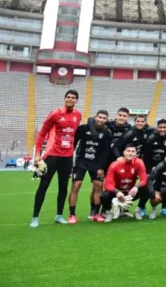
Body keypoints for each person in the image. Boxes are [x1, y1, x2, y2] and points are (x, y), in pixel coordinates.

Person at [30, 90, 83, 228]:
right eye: (68, 97)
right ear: (64, 98)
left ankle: (59, 215)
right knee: (44, 185)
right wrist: (37, 155)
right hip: (52, 155)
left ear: (76, 100)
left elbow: (73, 135)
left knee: (63, 186)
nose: (70, 99)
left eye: (73, 98)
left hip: (67, 157)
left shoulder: (78, 115)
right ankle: (35, 217)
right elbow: (42, 134)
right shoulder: (55, 114)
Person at [68, 110, 112, 223]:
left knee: (98, 185)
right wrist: (69, 158)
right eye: (99, 117)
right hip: (81, 161)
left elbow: (106, 152)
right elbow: (74, 142)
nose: (101, 120)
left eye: (104, 118)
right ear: (95, 117)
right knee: (76, 185)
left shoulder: (107, 133)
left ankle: (96, 214)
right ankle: (72, 215)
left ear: (106, 120)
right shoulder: (83, 128)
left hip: (96, 163)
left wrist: (102, 167)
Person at [100, 145, 148, 223]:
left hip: (130, 193)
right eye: (128, 151)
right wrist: (117, 192)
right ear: (124, 152)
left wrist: (136, 187)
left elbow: (144, 180)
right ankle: (110, 212)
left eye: (133, 151)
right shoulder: (115, 164)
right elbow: (107, 184)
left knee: (147, 189)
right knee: (103, 196)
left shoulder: (139, 162)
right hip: (117, 193)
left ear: (136, 153)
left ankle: (137, 211)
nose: (130, 153)